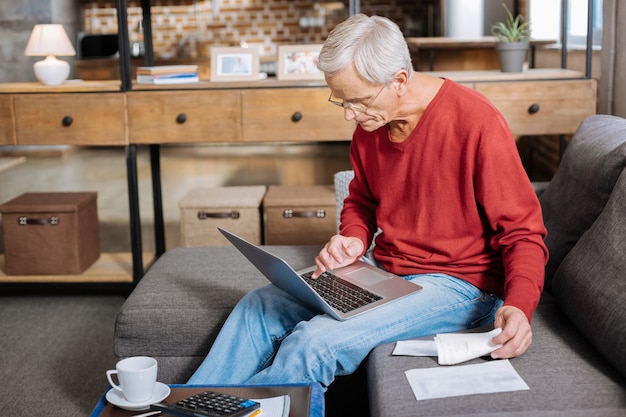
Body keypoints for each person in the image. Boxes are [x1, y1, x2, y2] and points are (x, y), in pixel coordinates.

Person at [188, 14, 548, 389]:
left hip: (460, 286)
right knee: (258, 306)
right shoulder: (371, 125)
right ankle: (190, 410)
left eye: (357, 101)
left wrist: (519, 306)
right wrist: (354, 239)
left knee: (316, 342)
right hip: (385, 272)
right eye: (340, 101)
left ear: (400, 81)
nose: (349, 115)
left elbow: (524, 233)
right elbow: (361, 198)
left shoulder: (476, 122)